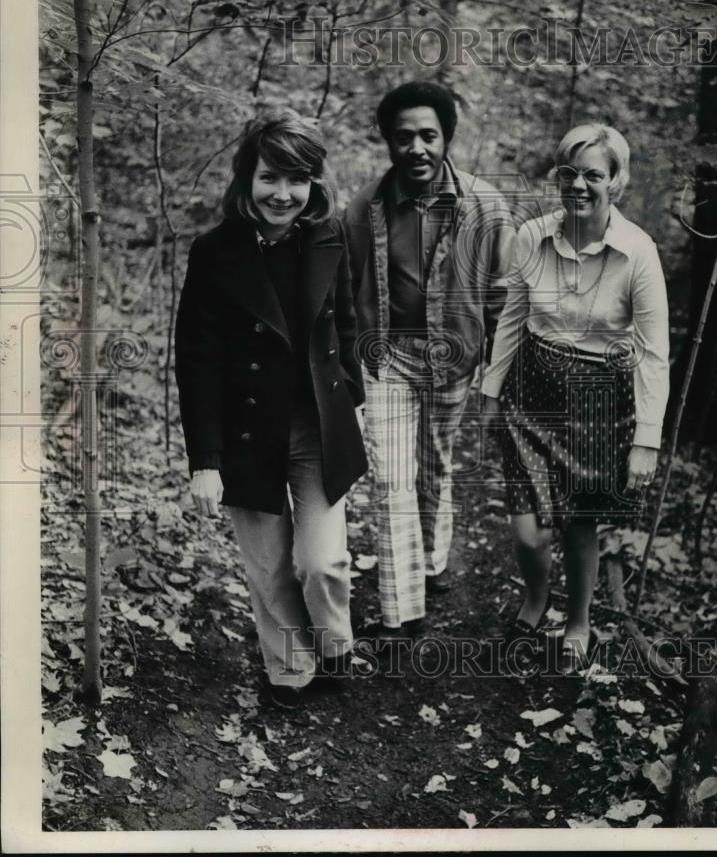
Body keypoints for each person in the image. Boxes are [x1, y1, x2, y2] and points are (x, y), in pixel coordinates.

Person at [175, 109, 368, 709]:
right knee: (266, 568)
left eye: (297, 179)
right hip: (245, 431)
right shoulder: (214, 252)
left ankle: (335, 645)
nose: (282, 194)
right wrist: (204, 459)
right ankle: (288, 670)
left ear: (313, 184)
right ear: (246, 179)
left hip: (317, 424)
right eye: (269, 178)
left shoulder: (331, 238)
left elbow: (349, 328)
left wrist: (354, 406)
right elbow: (196, 360)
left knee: (323, 561)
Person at [481, 122, 669, 675]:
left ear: (617, 181)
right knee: (530, 529)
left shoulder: (638, 252)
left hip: (600, 401)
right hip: (531, 392)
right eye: (570, 172)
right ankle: (537, 596)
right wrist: (491, 392)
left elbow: (654, 353)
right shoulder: (530, 236)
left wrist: (646, 441)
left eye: (593, 174)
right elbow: (512, 317)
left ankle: (580, 620)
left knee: (582, 521)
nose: (579, 185)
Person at [344, 80, 515, 645]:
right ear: (388, 143)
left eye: (428, 136)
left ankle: (434, 561)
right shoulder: (362, 208)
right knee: (392, 480)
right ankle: (402, 611)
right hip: (388, 358)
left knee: (434, 464)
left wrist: (498, 377)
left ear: (447, 139)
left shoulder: (486, 206)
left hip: (454, 358)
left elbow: (504, 297)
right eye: (403, 138)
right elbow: (346, 294)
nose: (416, 148)